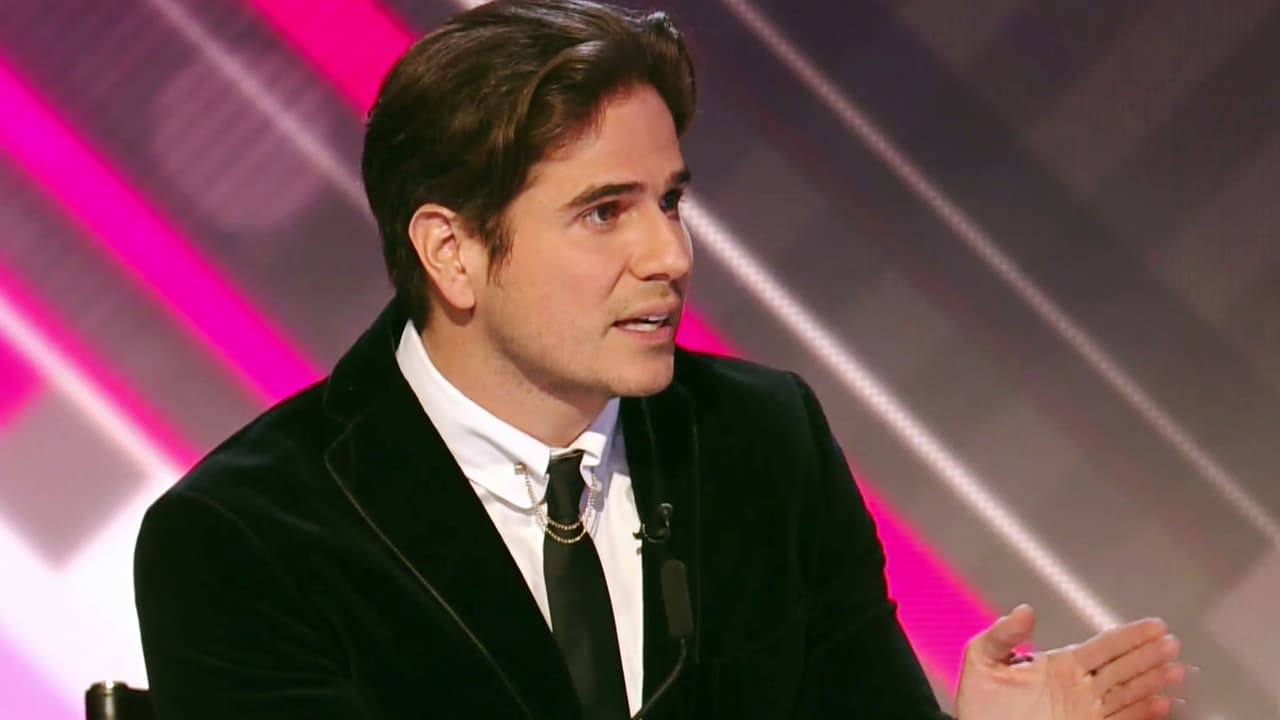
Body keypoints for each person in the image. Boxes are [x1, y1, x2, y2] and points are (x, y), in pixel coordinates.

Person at [133, 1, 1185, 718]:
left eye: (670, 200)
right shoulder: (245, 539)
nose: (669, 256)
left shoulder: (761, 441)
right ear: (452, 251)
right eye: (604, 212)